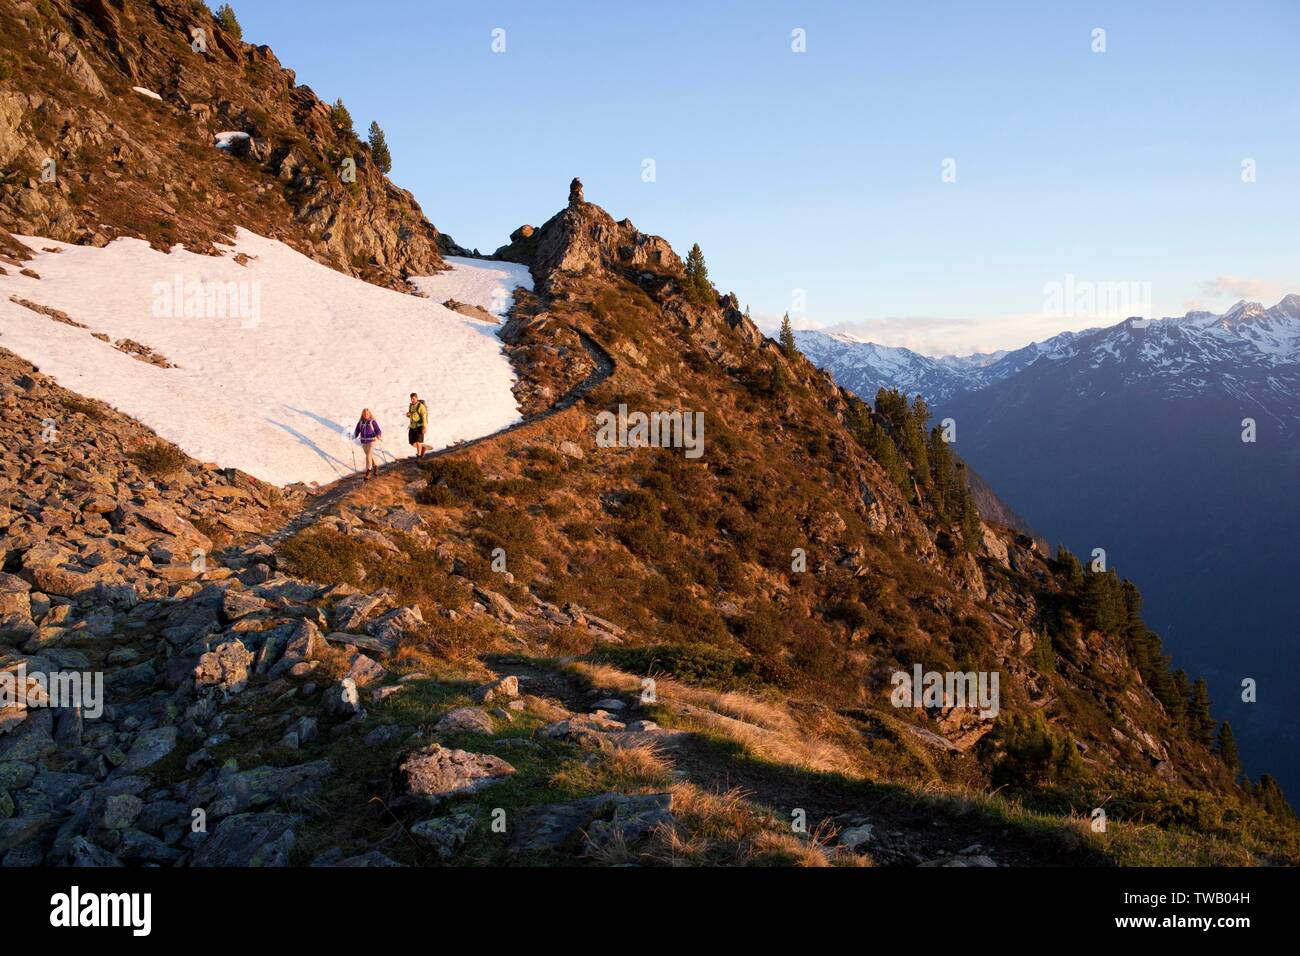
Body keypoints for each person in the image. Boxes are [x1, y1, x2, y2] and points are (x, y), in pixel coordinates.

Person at [353, 408, 382, 479]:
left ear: (369, 414)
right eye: (365, 414)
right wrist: (353, 436)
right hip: (363, 441)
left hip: (372, 441)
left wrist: (378, 434)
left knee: (368, 456)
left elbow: (378, 430)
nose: (366, 415)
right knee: (369, 456)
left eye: (367, 414)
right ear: (362, 414)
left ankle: (368, 471)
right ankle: (375, 466)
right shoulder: (360, 423)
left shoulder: (372, 421)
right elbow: (357, 431)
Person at [407, 392, 430, 459]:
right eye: (411, 399)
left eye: (414, 399)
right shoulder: (411, 405)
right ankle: (422, 448)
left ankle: (419, 456)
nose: (412, 400)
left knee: (418, 441)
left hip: (419, 426)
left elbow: (424, 417)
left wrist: (424, 427)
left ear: (417, 398)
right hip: (412, 426)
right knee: (412, 442)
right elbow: (413, 415)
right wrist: (408, 415)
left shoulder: (421, 406)